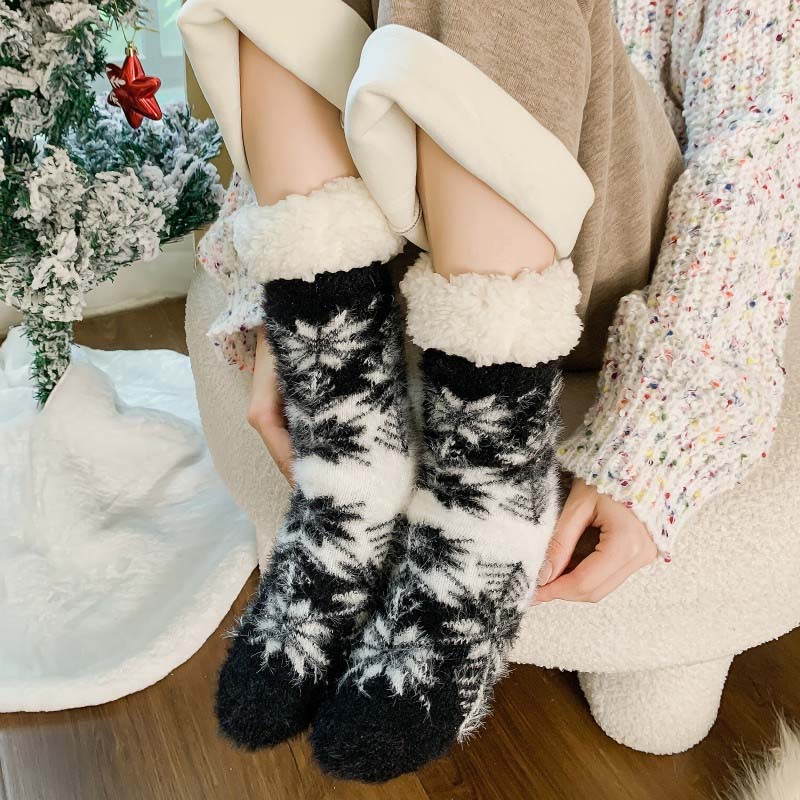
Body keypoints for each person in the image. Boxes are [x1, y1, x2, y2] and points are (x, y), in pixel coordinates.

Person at [178, 0, 798, 783]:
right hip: (398, 222)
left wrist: (664, 430)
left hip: (588, 242)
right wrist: (285, 298)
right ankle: (350, 447)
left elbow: (755, 156)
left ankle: (486, 497)